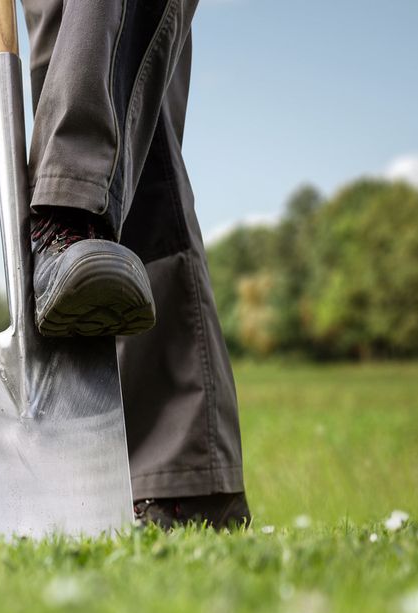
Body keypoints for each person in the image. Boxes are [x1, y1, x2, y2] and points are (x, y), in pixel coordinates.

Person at [20, 0, 250, 529]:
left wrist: (70, 193)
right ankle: (184, 476)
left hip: (69, 205)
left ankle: (68, 209)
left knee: (111, 36)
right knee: (109, 76)